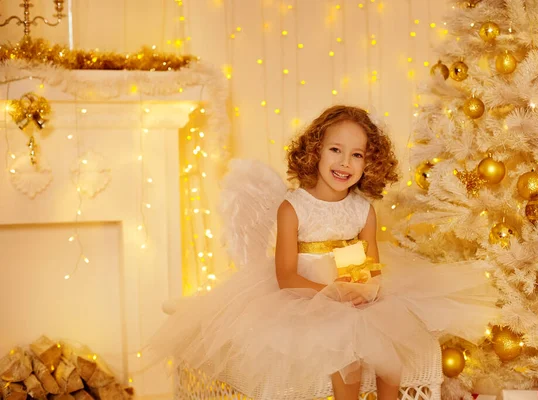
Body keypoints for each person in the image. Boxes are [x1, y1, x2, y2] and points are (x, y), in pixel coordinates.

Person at [148, 105, 498, 400]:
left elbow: (370, 264)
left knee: (390, 345)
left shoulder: (363, 210)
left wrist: (367, 290)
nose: (345, 162)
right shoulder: (293, 207)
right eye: (336, 150)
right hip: (307, 297)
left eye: (357, 154)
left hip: (354, 291)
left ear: (369, 163)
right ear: (315, 150)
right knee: (346, 354)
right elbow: (286, 277)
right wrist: (331, 295)